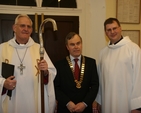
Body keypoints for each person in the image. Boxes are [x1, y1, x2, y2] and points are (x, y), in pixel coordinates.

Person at [0, 14, 57, 113]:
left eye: (29, 26)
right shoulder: (2, 48)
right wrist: (3, 83)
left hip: (34, 101)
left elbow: (51, 72)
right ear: (14, 28)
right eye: (22, 26)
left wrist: (46, 72)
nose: (26, 29)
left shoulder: (39, 48)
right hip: (11, 100)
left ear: (31, 30)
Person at [96, 17, 141, 113]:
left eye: (114, 28)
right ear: (105, 32)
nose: (112, 32)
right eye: (109, 30)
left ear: (120, 28)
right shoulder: (103, 53)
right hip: (107, 101)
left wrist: (137, 105)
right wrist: (99, 100)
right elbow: (100, 79)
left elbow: (139, 78)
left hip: (126, 103)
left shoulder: (133, 49)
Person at [54, 32, 99, 113]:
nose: (76, 47)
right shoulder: (58, 65)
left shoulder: (91, 63)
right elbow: (55, 88)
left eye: (78, 43)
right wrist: (67, 103)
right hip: (65, 109)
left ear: (81, 44)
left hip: (85, 109)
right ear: (67, 47)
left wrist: (84, 103)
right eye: (72, 44)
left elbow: (95, 86)